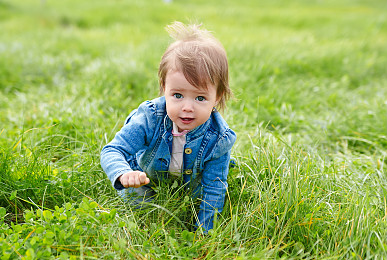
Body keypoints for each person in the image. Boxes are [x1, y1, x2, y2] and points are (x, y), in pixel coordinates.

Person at [100, 21, 236, 232]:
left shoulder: (219, 138)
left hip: (189, 184)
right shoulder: (150, 118)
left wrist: (205, 232)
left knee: (206, 190)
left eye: (200, 98)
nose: (187, 107)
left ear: (216, 97)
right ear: (164, 89)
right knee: (140, 203)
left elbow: (214, 188)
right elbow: (113, 150)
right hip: (145, 177)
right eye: (178, 95)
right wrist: (123, 174)